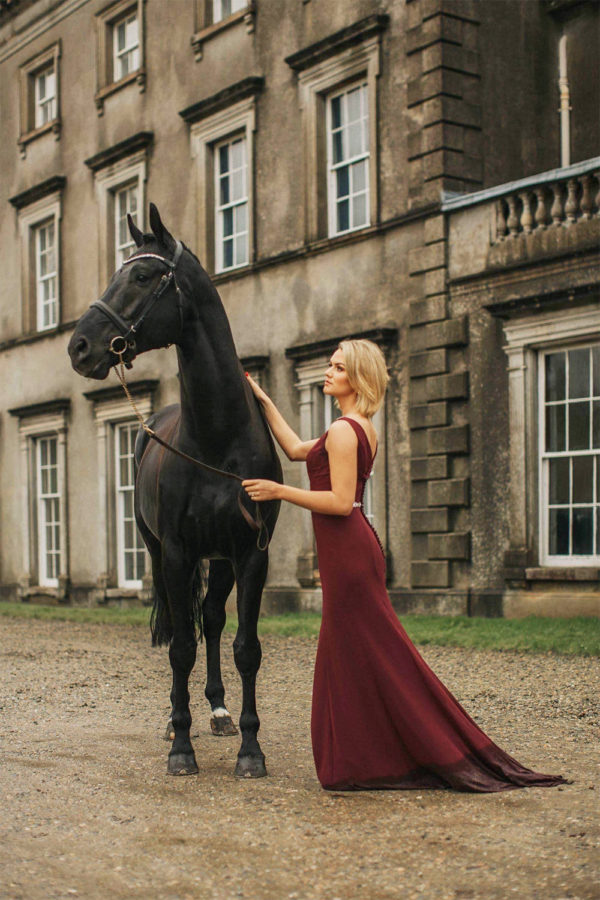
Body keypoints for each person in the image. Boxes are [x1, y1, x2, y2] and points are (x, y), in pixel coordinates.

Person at [242, 339, 568, 792]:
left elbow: (338, 502)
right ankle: (367, 757)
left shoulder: (343, 430)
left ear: (356, 379)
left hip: (349, 552)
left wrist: (280, 493)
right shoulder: (357, 426)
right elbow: (297, 449)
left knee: (372, 654)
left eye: (338, 367)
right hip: (352, 551)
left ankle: (372, 758)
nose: (328, 372)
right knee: (367, 654)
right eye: (330, 366)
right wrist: (262, 400)